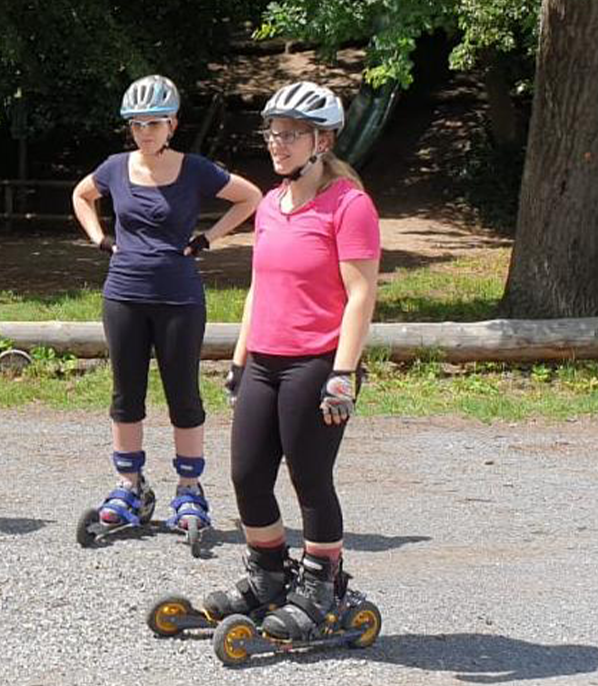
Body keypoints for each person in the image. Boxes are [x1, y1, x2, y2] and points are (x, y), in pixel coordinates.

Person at [202, 81, 381, 641]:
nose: (276, 143)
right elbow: (260, 285)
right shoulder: (272, 206)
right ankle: (268, 575)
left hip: (317, 363)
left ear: (321, 140)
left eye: (290, 134)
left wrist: (343, 374)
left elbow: (360, 294)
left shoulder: (350, 206)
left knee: (309, 477)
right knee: (247, 474)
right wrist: (239, 356)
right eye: (272, 132)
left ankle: (321, 584)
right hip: (264, 361)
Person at [72, 74, 262, 539]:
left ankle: (189, 488)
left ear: (173, 124)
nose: (145, 133)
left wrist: (208, 239)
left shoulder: (195, 169)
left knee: (183, 394)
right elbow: (81, 195)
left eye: (154, 123)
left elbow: (251, 197)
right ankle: (128, 486)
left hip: (179, 296)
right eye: (137, 125)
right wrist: (101, 239)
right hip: (124, 295)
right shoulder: (116, 167)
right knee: (126, 392)